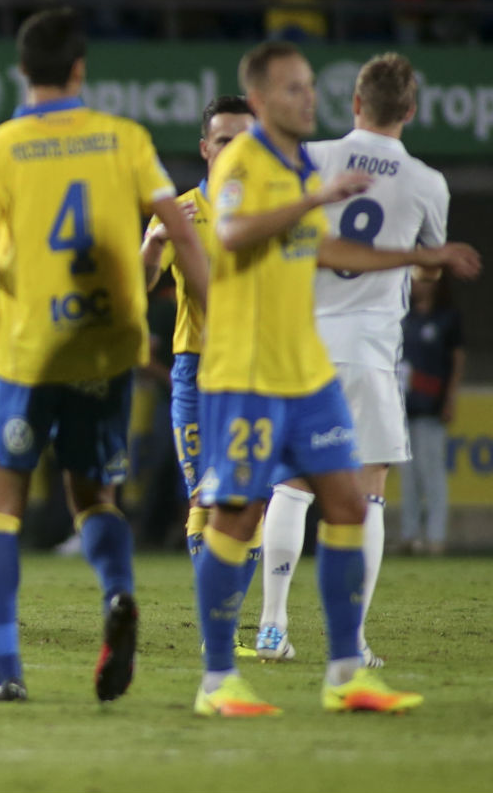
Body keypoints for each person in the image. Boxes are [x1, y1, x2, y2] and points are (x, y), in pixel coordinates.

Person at [0, 7, 211, 705]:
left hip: (27, 349)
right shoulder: (125, 139)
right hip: (107, 344)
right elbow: (179, 234)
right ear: (79, 70)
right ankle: (118, 594)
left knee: (1, 497)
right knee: (93, 493)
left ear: (22, 72)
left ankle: (8, 671)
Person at [188, 40, 476, 717]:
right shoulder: (247, 161)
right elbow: (231, 233)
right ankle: (217, 679)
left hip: (310, 365)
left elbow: (327, 248)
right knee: (239, 513)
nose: (306, 96)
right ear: (260, 101)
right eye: (292, 88)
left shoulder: (301, 163)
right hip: (252, 365)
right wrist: (312, 198)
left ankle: (346, 672)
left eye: (309, 85)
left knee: (347, 504)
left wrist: (418, 254)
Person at [254, 53, 451, 670]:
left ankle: (270, 627)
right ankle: (353, 641)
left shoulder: (312, 158)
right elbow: (429, 265)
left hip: (303, 341)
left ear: (355, 104)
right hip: (370, 350)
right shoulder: (426, 182)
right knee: (368, 490)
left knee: (291, 483)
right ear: (411, 112)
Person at [139, 94, 257, 656]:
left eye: (247, 139)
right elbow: (137, 286)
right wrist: (154, 243)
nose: (237, 150)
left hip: (257, 372)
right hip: (196, 371)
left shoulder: (274, 211)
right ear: (206, 147)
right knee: (203, 501)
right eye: (226, 140)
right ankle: (223, 625)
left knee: (249, 499)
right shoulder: (181, 209)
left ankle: (231, 612)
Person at [399, 269, 462, 556]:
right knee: (408, 475)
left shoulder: (447, 318)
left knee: (432, 471)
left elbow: (458, 361)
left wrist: (450, 399)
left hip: (432, 407)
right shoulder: (405, 316)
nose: (417, 284)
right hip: (404, 407)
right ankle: (409, 535)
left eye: (423, 279)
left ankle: (436, 537)